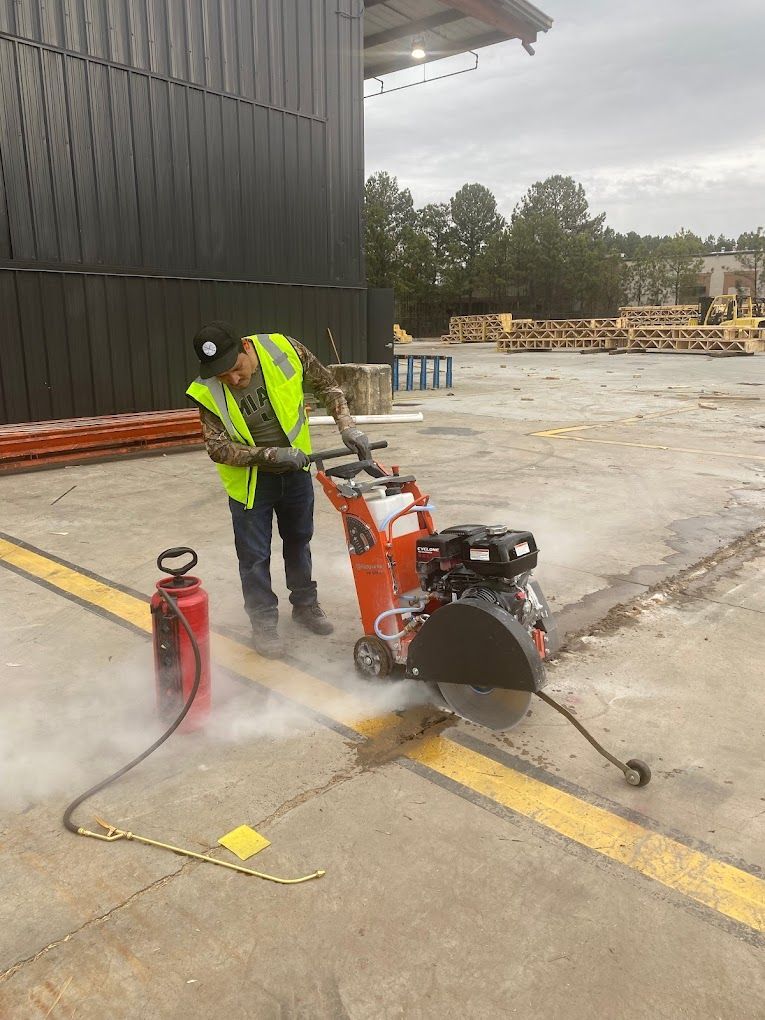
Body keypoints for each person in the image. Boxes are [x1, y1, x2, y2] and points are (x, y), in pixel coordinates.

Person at [187, 322, 369, 658]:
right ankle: (263, 621)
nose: (232, 380)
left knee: (299, 541)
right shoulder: (205, 390)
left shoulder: (284, 349)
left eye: (236, 369)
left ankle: (305, 605)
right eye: (221, 376)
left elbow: (327, 386)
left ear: (245, 347)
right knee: (254, 556)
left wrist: (348, 426)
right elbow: (217, 447)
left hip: (297, 471)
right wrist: (270, 455)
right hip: (251, 484)